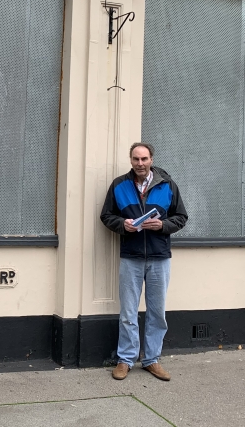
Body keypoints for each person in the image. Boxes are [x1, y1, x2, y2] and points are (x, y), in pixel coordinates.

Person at [100, 142, 188, 382]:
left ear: (151, 159)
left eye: (144, 159)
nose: (140, 163)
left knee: (157, 312)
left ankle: (152, 360)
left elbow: (181, 217)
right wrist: (123, 225)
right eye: (136, 159)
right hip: (131, 256)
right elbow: (106, 216)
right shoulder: (119, 185)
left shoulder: (167, 185)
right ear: (131, 160)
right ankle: (125, 360)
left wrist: (162, 225)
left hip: (160, 257)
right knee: (128, 311)